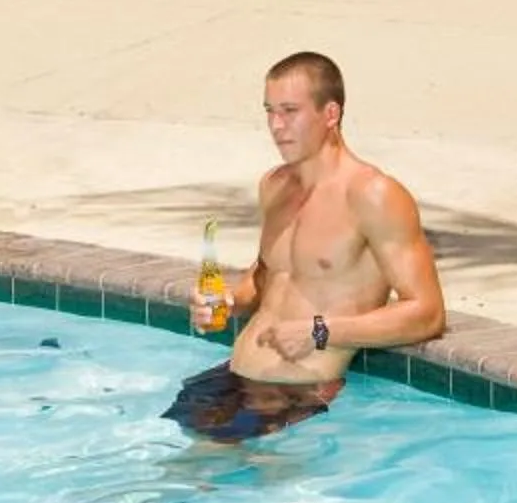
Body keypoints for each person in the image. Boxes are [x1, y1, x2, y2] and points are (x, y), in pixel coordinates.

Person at [165, 51, 446, 444]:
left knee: (185, 488)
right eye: (269, 112)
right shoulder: (275, 186)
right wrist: (228, 303)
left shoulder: (373, 194)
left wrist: (320, 332)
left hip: (296, 397)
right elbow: (266, 279)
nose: (277, 126)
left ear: (330, 114)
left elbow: (427, 312)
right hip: (230, 379)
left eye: (290, 111)